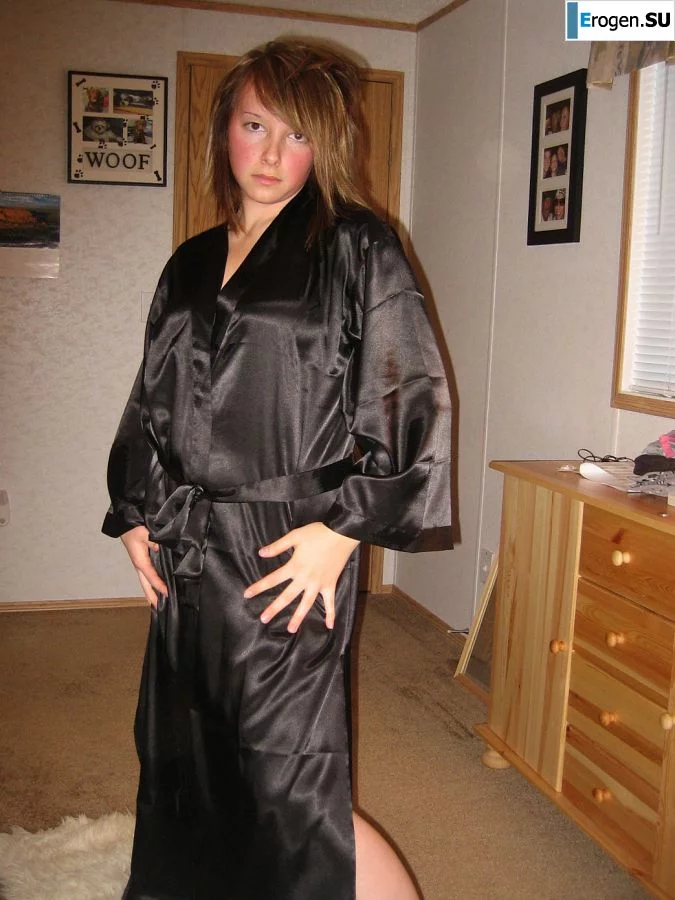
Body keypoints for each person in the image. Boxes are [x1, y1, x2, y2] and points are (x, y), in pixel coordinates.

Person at [103, 37, 453, 900]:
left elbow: (407, 394)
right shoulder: (189, 261)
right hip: (188, 549)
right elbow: (152, 398)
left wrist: (342, 534)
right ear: (224, 127)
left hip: (288, 549)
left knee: (288, 782)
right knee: (189, 755)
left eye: (297, 135)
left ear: (323, 147)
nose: (270, 154)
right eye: (255, 125)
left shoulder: (357, 245)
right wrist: (137, 512)